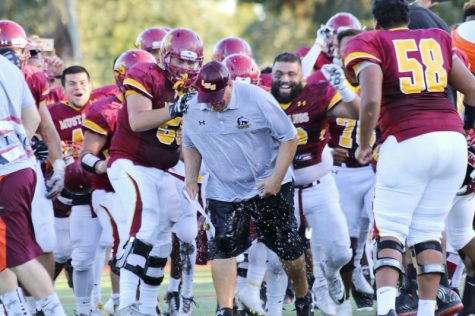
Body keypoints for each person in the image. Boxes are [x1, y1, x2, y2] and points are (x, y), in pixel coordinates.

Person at [343, 0, 475, 315]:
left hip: (406, 139)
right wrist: (464, 129)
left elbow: (371, 98)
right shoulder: (439, 37)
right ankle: (428, 309)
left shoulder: (369, 41)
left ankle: (387, 307)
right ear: (407, 15)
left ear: (376, 21)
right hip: (452, 140)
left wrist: (363, 143)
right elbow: (471, 88)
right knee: (428, 229)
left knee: (390, 229)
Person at [182, 60, 313, 316]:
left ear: (231, 84)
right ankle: (225, 309)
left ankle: (302, 296)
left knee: (288, 248)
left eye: (218, 96)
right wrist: (190, 178)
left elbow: (289, 138)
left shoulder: (257, 99)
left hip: (266, 182)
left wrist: (276, 177)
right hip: (224, 187)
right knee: (222, 245)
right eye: (208, 97)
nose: (213, 102)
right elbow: (190, 143)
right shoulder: (193, 106)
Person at [107, 28, 203, 316]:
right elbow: (138, 121)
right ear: (165, 56)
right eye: (181, 61)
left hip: (163, 169)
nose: (186, 68)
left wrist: (190, 178)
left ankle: (148, 308)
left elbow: (188, 139)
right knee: (144, 225)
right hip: (129, 163)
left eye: (191, 63)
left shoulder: (194, 88)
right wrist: (176, 108)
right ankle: (125, 304)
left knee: (162, 242)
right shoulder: (145, 73)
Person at [0, 54, 66, 316]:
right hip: (19, 166)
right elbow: (32, 117)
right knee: (3, 257)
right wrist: (18, 147)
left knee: (19, 255)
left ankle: (53, 311)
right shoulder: (11, 68)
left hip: (5, 172)